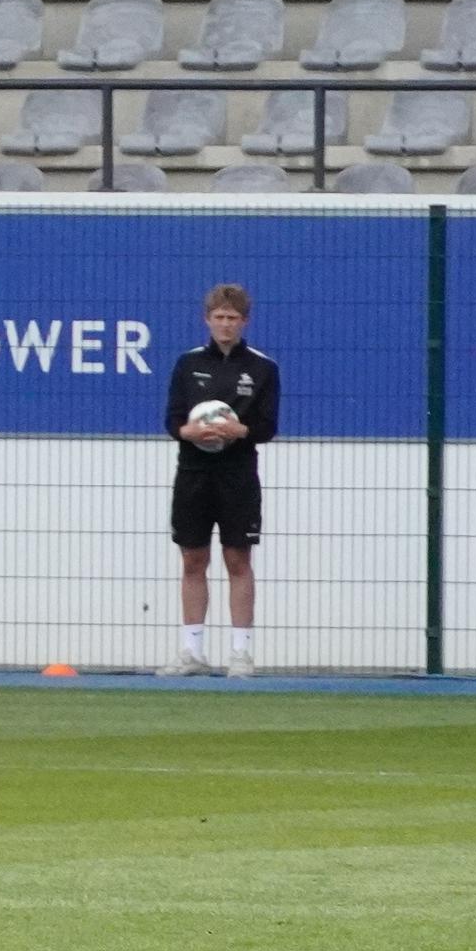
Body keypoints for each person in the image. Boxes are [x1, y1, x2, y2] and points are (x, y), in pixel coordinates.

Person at [162, 281, 280, 678]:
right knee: (193, 558)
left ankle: (241, 653)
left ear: (244, 321)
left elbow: (266, 426)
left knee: (237, 559)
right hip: (194, 473)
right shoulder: (188, 363)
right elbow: (172, 420)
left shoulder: (262, 368)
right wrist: (190, 432)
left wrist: (239, 431)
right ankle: (192, 651)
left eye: (232, 318)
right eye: (219, 318)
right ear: (207, 320)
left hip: (238, 474)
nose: (225, 325)